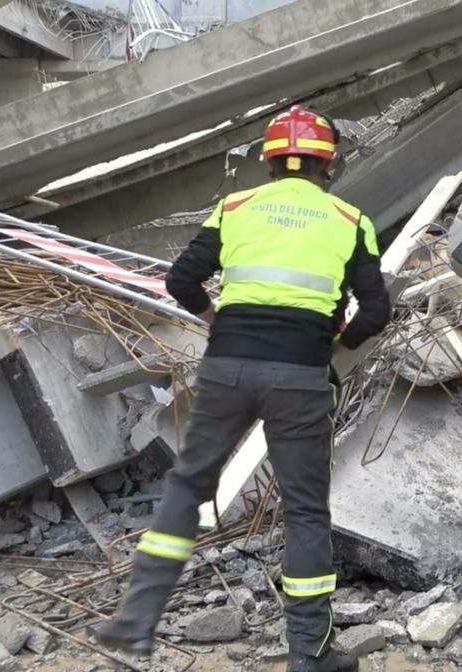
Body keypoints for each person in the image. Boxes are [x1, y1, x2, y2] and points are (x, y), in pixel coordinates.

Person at [94, 105, 391, 672]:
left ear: (271, 160)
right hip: (300, 377)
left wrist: (215, 320)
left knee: (188, 484)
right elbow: (376, 309)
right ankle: (310, 656)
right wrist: (331, 349)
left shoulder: (235, 207)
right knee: (304, 511)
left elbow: (180, 279)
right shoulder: (350, 220)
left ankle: (135, 622)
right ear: (330, 163)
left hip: (227, 368)